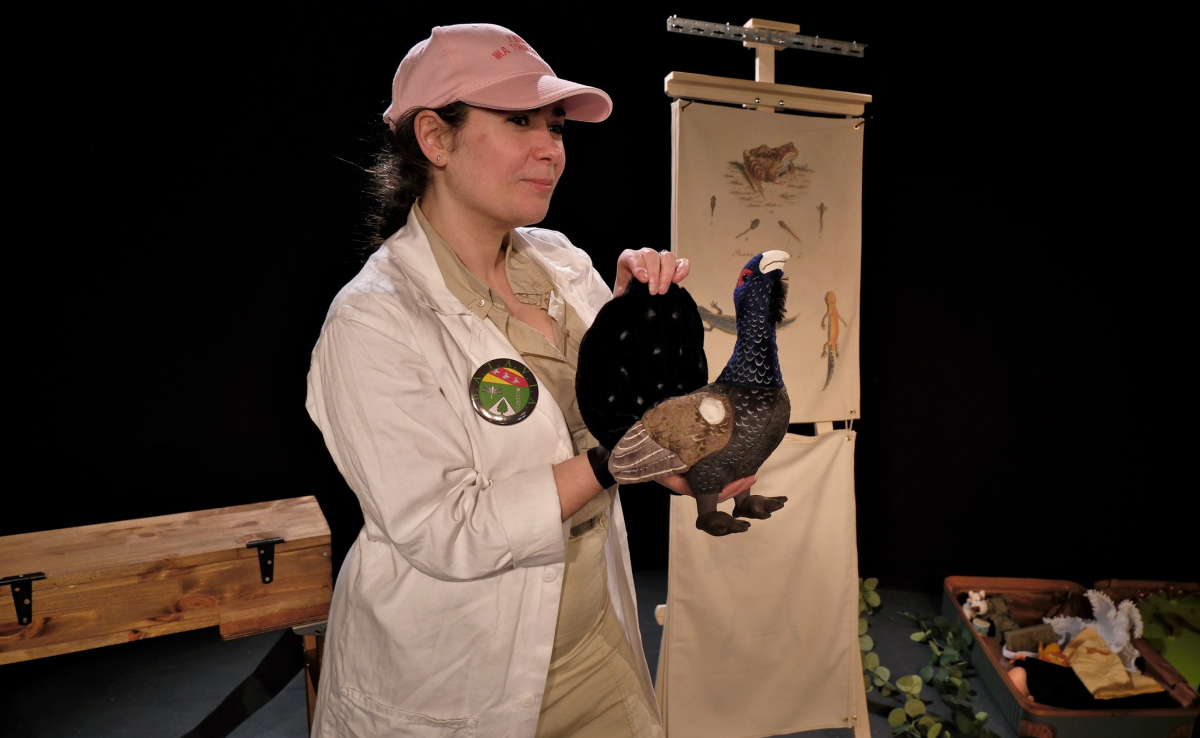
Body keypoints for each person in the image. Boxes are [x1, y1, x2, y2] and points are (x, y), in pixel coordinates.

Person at [305, 23, 752, 738]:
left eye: (555, 126)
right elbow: (448, 528)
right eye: (520, 122)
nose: (552, 149)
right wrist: (618, 460)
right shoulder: (373, 321)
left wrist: (634, 333)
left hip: (592, 646)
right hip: (459, 679)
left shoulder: (562, 264)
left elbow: (620, 419)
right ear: (436, 138)